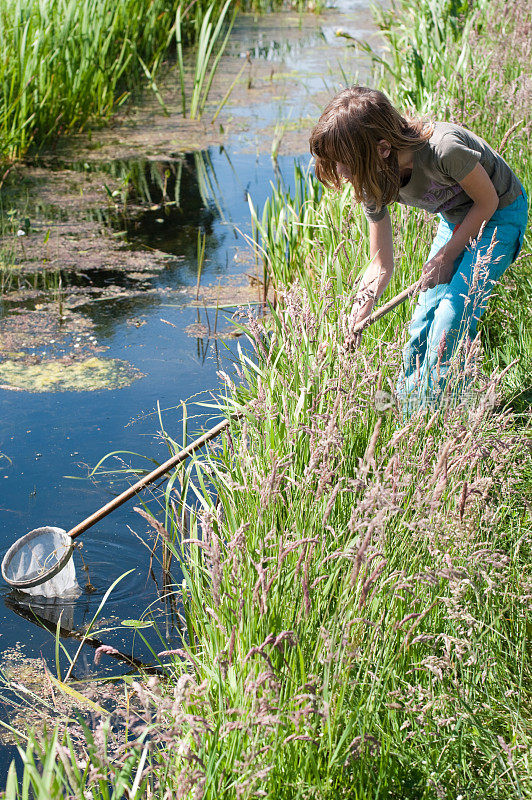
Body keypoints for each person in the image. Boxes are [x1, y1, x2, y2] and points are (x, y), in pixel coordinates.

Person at [309, 85, 528, 411]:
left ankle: (452, 412)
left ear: (382, 148)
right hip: (456, 220)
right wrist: (360, 309)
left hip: (499, 216)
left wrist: (446, 256)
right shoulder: (373, 178)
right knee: (422, 325)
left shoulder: (444, 149)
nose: (341, 173)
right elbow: (380, 263)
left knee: (450, 321)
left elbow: (487, 201)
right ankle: (412, 417)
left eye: (345, 163)